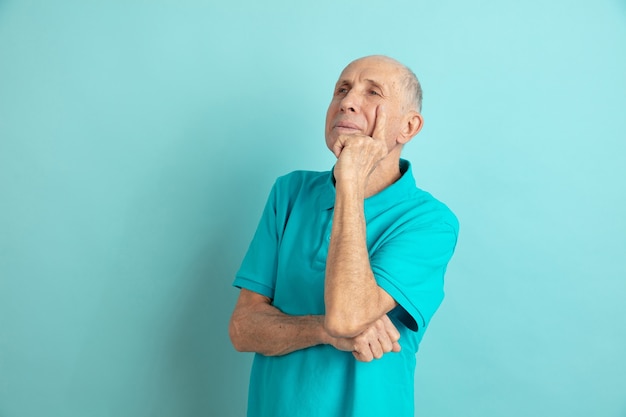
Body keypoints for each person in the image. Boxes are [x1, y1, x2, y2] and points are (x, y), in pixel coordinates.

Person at [229, 55, 459, 417]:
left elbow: (347, 317)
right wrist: (323, 331)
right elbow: (243, 329)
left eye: (372, 93)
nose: (347, 102)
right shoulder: (290, 192)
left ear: (408, 127)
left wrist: (349, 180)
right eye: (342, 89)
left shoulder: (430, 221)